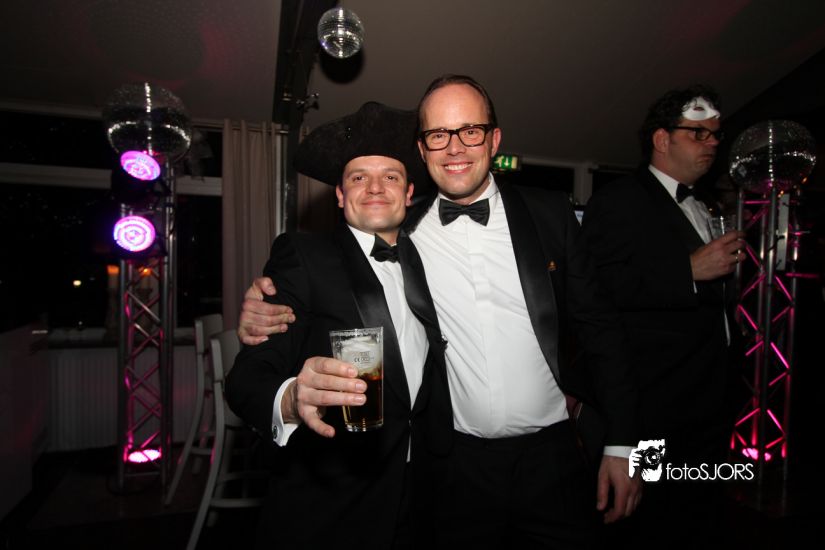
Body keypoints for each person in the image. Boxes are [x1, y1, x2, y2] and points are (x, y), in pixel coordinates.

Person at [240, 75, 641, 548]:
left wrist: (628, 449)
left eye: (470, 130)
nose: (454, 147)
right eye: (438, 134)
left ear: (494, 140)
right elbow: (337, 270)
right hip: (456, 467)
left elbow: (605, 332)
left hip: (555, 455)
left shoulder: (551, 214)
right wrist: (261, 311)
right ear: (423, 149)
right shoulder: (404, 229)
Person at [225, 102, 448, 550]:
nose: (375, 187)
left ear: (409, 194)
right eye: (358, 177)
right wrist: (292, 398)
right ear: (341, 196)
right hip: (335, 504)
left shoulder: (431, 262)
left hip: (423, 493)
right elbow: (247, 379)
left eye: (390, 176)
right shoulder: (303, 256)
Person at [581, 85, 745, 543]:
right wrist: (686, 271)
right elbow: (598, 290)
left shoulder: (706, 204)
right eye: (698, 133)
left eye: (716, 134)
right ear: (661, 139)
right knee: (644, 520)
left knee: (699, 515)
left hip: (710, 403)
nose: (712, 143)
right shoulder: (619, 200)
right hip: (651, 407)